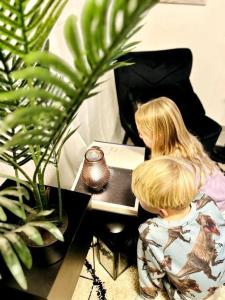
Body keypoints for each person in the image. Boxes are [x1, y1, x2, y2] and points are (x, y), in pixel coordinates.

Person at [131, 156, 225, 300]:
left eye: (140, 199)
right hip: (220, 275)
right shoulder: (205, 201)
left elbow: (149, 271)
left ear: (162, 211)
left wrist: (146, 295)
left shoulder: (150, 232)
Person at [135, 97, 225, 218]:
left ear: (158, 135)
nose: (139, 135)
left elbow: (168, 203)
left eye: (142, 132)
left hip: (216, 211)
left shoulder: (174, 167)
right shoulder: (188, 142)